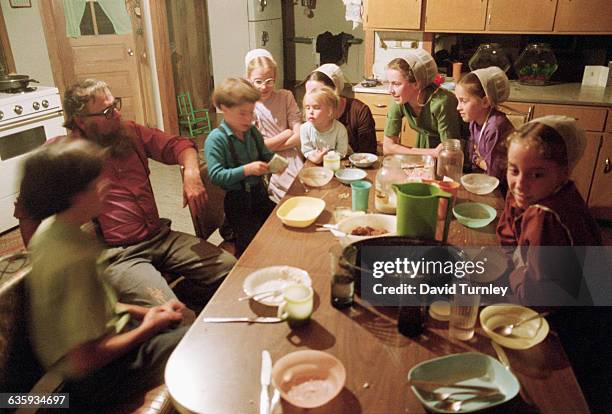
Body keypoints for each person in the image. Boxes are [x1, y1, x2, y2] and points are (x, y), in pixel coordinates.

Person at [14, 79, 236, 312]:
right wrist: (39, 263)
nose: (117, 114)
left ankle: (179, 294)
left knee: (229, 269)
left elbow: (178, 145)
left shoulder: (130, 132)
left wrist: (191, 172)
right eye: (108, 111)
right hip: (121, 254)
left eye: (116, 105)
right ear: (81, 121)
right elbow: (27, 209)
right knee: (171, 312)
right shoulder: (67, 154)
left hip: (160, 236)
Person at [20, 138, 188, 409]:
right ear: (75, 196)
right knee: (197, 343)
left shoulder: (53, 229)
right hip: (97, 378)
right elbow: (83, 359)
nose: (106, 185)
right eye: (97, 182)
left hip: (106, 339)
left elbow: (97, 303)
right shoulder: (72, 259)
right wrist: (148, 328)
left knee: (175, 322)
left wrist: (143, 313)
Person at [496, 116, 608, 412]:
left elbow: (539, 296)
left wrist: (512, 278)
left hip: (572, 324)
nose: (520, 183)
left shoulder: (546, 215)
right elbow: (508, 234)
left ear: (563, 172)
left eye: (537, 174)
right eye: (514, 170)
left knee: (554, 395)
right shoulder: (539, 194)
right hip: (574, 303)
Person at [205, 78, 279, 257]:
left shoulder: (252, 132)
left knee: (279, 226)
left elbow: (264, 153)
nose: (249, 119)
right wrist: (247, 170)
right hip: (238, 203)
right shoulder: (216, 139)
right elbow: (216, 175)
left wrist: (276, 163)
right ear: (224, 108)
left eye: (251, 112)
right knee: (255, 246)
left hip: (259, 195)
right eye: (242, 113)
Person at [245, 48, 303, 203]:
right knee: (288, 192)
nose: (264, 87)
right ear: (249, 80)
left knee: (305, 182)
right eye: (258, 82)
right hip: (267, 161)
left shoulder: (286, 96)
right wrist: (286, 134)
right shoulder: (248, 107)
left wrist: (271, 144)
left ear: (275, 78)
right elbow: (255, 149)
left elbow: (299, 137)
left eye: (269, 81)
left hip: (293, 155)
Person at [383, 49, 463, 155]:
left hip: (454, 158)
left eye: (396, 84)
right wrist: (432, 152)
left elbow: (450, 151)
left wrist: (432, 153)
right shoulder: (399, 99)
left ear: (416, 84)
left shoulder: (442, 102)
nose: (390, 90)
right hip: (427, 152)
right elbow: (388, 147)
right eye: (389, 83)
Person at [456, 67, 514, 192]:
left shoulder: (496, 128)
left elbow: (495, 174)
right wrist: (480, 161)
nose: (458, 107)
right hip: (483, 181)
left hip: (502, 190)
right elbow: (473, 156)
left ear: (485, 102)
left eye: (463, 101)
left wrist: (481, 162)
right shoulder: (474, 122)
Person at [304, 63, 377, 154]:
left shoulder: (360, 111)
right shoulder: (311, 113)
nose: (312, 98)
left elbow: (368, 153)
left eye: (318, 93)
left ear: (335, 91)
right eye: (308, 93)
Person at [300, 86, 350, 164]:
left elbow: (342, 152)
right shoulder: (304, 129)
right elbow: (307, 150)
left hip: (337, 163)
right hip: (313, 165)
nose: (310, 112)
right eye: (307, 108)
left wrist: (326, 156)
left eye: (316, 107)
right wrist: (314, 158)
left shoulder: (340, 129)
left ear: (329, 111)